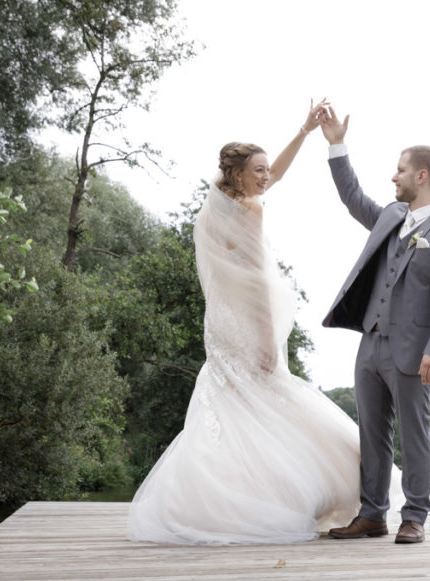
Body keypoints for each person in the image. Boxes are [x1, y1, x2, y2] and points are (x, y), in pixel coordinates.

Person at [127, 101, 361, 545]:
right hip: (248, 324)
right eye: (257, 170)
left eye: (264, 169)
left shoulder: (217, 202)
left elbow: (276, 174)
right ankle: (343, 475)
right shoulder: (250, 212)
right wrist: (268, 338)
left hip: (221, 325)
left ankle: (234, 497)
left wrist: (304, 131)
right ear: (238, 175)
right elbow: (256, 278)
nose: (265, 176)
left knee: (239, 411)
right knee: (276, 400)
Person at [319, 105, 430, 544]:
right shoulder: (388, 218)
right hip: (370, 345)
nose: (394, 177)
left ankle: (415, 516)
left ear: (421, 176)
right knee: (372, 434)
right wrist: (336, 145)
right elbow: (353, 198)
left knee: (415, 435)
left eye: (400, 170)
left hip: (414, 351)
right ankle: (372, 515)